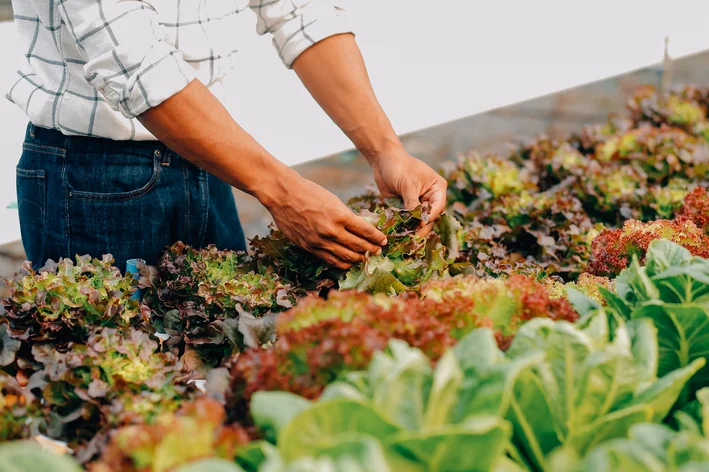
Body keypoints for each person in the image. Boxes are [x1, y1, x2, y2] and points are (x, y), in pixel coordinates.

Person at [8, 1, 447, 271]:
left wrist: (387, 152)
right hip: (93, 182)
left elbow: (300, 11)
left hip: (211, 158)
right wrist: (284, 191)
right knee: (118, 396)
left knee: (224, 370)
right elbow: (134, 63)